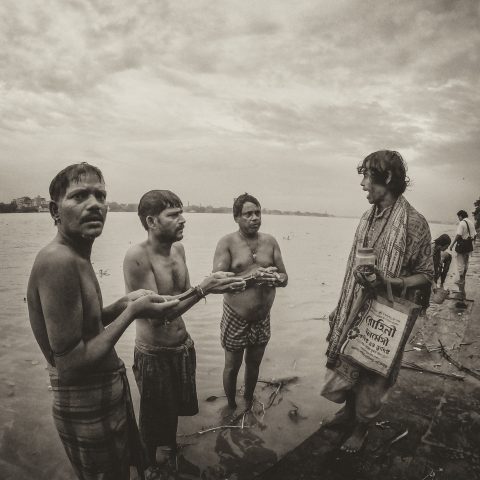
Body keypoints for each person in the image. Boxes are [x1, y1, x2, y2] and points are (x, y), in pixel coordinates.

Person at [27, 164, 180, 480]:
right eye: (80, 196)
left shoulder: (76, 255)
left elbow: (87, 325)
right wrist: (131, 313)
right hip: (85, 403)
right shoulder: (58, 260)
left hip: (101, 393)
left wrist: (124, 302)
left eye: (100, 195)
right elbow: (69, 362)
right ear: (55, 210)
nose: (94, 204)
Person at [123, 190, 245, 475]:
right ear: (151, 221)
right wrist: (206, 288)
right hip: (154, 353)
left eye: (181, 213)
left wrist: (219, 287)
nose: (182, 220)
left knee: (173, 411)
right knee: (152, 418)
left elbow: (184, 294)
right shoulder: (137, 257)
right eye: (173, 215)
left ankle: (168, 454)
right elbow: (156, 316)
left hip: (182, 346)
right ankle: (148, 467)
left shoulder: (178, 250)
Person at [321, 151, 434, 453]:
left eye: (367, 176)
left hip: (389, 314)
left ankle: (361, 428)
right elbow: (353, 268)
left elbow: (426, 275)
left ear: (386, 179)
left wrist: (389, 282)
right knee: (349, 360)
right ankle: (347, 412)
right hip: (355, 306)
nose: (362, 184)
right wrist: (341, 305)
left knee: (374, 373)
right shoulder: (367, 218)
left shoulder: (414, 223)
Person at [213, 193, 288, 413]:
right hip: (236, 316)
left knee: (254, 364)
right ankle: (230, 406)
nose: (254, 218)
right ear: (236, 217)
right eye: (248, 214)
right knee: (232, 366)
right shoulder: (227, 243)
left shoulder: (270, 241)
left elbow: (284, 277)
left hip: (262, 318)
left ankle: (247, 401)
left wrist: (276, 278)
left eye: (257, 213)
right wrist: (251, 276)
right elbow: (216, 283)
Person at [450, 210, 477, 302]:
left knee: (460, 262)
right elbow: (475, 235)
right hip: (469, 245)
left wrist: (452, 244)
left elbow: (458, 235)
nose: (458, 218)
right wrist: (473, 244)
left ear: (461, 216)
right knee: (466, 262)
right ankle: (463, 278)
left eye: (459, 216)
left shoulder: (462, 223)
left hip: (462, 245)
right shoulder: (471, 223)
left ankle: (461, 279)